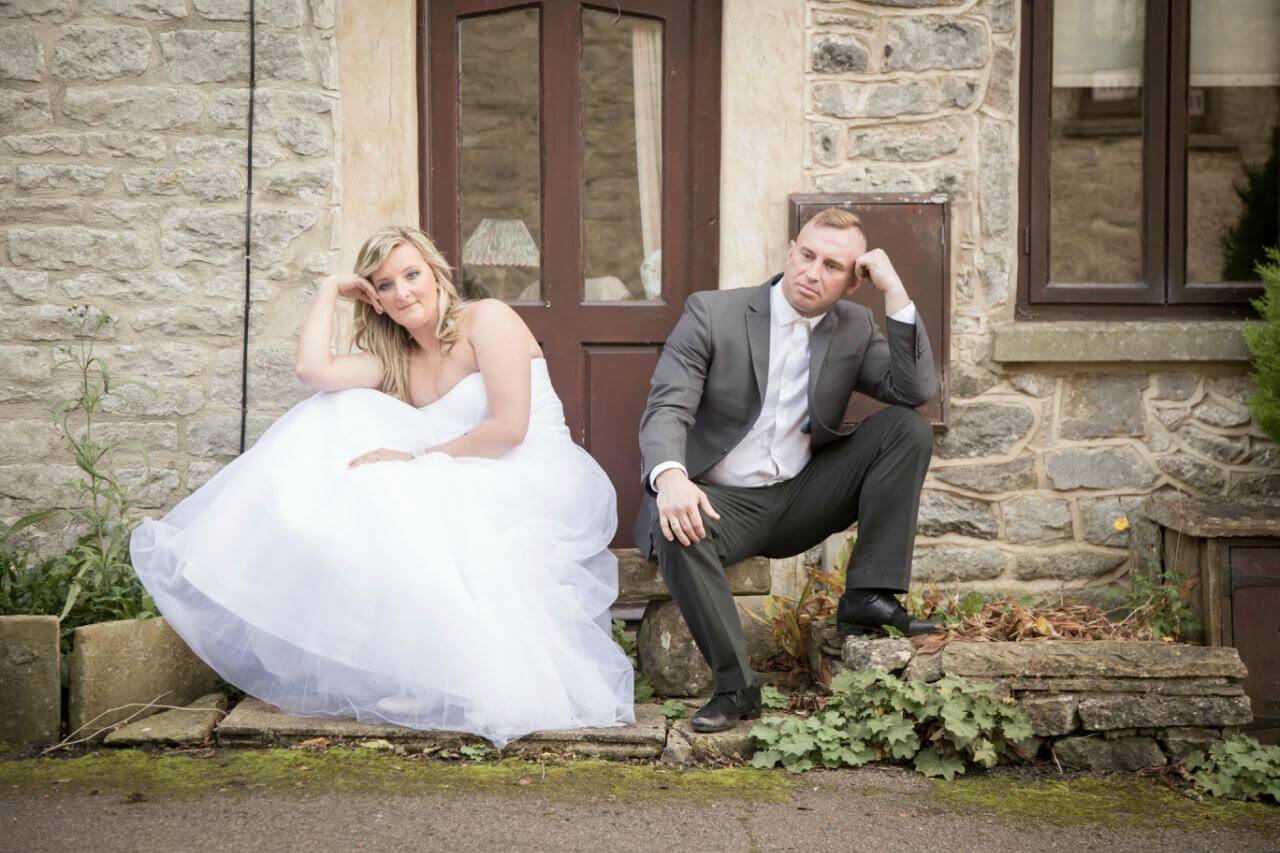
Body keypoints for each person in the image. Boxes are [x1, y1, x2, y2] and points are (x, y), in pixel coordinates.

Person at [130, 226, 634, 747]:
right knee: (332, 414)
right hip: (462, 468)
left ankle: (435, 675)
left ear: (435, 273)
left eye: (411, 274)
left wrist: (414, 459)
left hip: (528, 470)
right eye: (385, 285)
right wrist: (330, 288)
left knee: (398, 488)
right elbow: (312, 370)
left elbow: (509, 429)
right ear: (375, 300)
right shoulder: (401, 360)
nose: (403, 292)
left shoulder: (488, 319)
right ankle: (412, 671)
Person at [634, 207, 941, 733]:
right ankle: (736, 688)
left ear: (852, 282)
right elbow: (667, 406)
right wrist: (671, 477)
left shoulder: (854, 326)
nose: (812, 273)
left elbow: (913, 390)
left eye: (832, 266)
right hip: (720, 502)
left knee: (906, 429)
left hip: (802, 496)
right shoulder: (714, 313)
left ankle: (868, 596)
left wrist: (894, 291)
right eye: (807, 256)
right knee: (676, 526)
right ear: (789, 251)